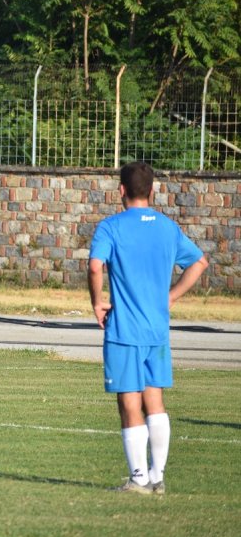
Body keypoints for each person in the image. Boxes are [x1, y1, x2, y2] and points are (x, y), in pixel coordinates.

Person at [88, 161, 208, 495]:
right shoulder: (167, 228)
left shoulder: (111, 227)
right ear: (152, 191)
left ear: (121, 190)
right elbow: (200, 263)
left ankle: (138, 478)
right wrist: (171, 296)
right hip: (157, 329)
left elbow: (96, 266)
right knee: (154, 399)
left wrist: (97, 302)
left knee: (129, 402)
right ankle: (157, 476)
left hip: (125, 330)